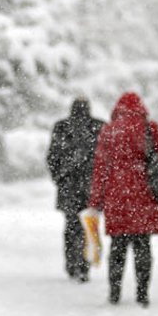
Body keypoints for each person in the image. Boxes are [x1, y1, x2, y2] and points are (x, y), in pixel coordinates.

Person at [88, 92, 158, 307]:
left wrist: (95, 201)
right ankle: (142, 293)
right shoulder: (150, 128)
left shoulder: (109, 131)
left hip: (117, 195)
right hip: (144, 194)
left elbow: (101, 168)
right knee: (143, 245)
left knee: (118, 246)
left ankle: (114, 293)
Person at [46, 96, 104, 283]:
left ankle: (72, 263)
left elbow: (52, 156)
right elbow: (108, 159)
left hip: (69, 186)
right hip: (92, 187)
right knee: (89, 225)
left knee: (71, 226)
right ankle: (84, 265)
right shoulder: (100, 127)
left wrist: (60, 178)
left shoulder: (62, 127)